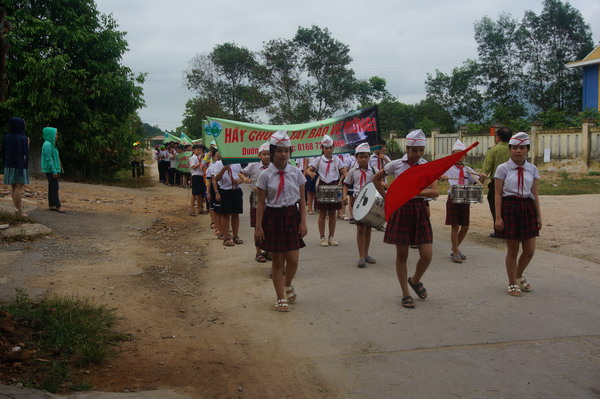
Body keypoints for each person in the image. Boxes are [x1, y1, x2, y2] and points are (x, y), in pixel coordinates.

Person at [372, 129, 439, 309]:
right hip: (401, 211)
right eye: (414, 150)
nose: (417, 154)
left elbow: (436, 191)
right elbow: (376, 179)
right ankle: (405, 292)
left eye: (421, 150)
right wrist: (388, 199)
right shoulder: (396, 165)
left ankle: (415, 280)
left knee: (427, 255)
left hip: (420, 210)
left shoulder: (426, 166)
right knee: (402, 255)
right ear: (407, 148)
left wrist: (417, 192)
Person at [254, 131, 307, 312]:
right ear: (272, 152)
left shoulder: (296, 173)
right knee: (277, 261)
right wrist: (258, 227)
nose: (283, 155)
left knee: (293, 260)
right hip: (273, 217)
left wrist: (303, 222)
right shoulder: (265, 176)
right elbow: (261, 203)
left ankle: (287, 283)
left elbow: (302, 200)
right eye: (279, 151)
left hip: (292, 216)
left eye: (286, 151)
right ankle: (280, 298)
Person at [494, 132, 541, 297]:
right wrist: (498, 217)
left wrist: (538, 216)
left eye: (522, 148)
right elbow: (498, 194)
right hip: (510, 208)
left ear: (527, 150)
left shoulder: (532, 169)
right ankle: (512, 282)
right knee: (512, 250)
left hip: (527, 208)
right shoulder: (503, 169)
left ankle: (518, 275)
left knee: (530, 250)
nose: (518, 151)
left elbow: (534, 193)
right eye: (514, 147)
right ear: (509, 149)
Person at [439, 139, 483, 263]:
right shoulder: (448, 168)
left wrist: (482, 177)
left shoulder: (468, 170)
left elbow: (478, 183)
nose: (458, 157)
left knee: (465, 226)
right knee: (455, 226)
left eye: (461, 154)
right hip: (453, 198)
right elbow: (439, 177)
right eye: (455, 154)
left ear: (465, 155)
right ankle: (456, 252)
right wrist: (442, 177)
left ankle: (455, 248)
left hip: (465, 199)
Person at [307, 135, 346, 247]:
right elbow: (308, 170)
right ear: (322, 148)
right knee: (323, 214)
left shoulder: (337, 160)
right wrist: (311, 173)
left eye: (330, 147)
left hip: (334, 186)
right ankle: (322, 237)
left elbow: (343, 171)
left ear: (333, 148)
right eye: (326, 147)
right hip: (323, 186)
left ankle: (331, 237)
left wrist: (346, 174)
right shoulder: (318, 160)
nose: (329, 150)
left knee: (333, 214)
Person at [343, 143, 377, 268]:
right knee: (360, 229)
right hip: (357, 201)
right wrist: (344, 196)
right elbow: (346, 184)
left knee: (368, 229)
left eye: (366, 156)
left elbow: (380, 182)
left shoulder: (374, 171)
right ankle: (361, 256)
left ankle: (366, 254)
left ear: (369, 157)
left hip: (370, 202)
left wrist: (383, 184)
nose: (363, 159)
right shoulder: (352, 172)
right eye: (361, 156)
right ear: (356, 157)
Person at [239, 141, 271, 263]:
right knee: (258, 225)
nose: (267, 156)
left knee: (270, 225)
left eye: (268, 154)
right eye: (264, 154)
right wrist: (245, 179)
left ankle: (269, 250)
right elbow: (241, 173)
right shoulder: (253, 166)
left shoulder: (274, 166)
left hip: (272, 199)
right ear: (259, 156)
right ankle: (258, 252)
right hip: (257, 197)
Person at [481, 127, 512, 237]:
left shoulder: (493, 150)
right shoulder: (513, 149)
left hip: (496, 183)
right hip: (512, 183)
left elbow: (486, 168)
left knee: (495, 206)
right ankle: (511, 230)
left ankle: (499, 230)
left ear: (498, 137)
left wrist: (481, 179)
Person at [2, 117, 29, 217]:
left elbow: (3, 151)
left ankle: (16, 209)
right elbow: (25, 153)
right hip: (19, 166)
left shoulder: (7, 137)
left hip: (9, 165)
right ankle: (19, 211)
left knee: (13, 187)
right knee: (19, 187)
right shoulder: (22, 138)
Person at [214, 157, 244, 247]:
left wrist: (239, 180)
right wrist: (224, 168)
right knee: (225, 215)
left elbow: (242, 175)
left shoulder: (236, 162)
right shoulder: (218, 163)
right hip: (225, 191)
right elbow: (216, 178)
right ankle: (226, 237)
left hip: (236, 190)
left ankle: (235, 236)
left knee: (235, 214)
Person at [41, 126, 65, 213]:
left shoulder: (51, 144)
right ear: (51, 134)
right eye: (56, 134)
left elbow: (56, 158)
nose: (57, 136)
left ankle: (51, 205)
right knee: (55, 187)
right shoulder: (47, 145)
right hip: (50, 170)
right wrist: (54, 171)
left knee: (51, 187)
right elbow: (49, 159)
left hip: (53, 169)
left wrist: (58, 170)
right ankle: (58, 206)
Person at [189, 145, 207, 216]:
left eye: (200, 150)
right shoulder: (193, 158)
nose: (199, 151)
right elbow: (193, 167)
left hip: (201, 176)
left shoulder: (200, 158)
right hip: (195, 176)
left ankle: (200, 209)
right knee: (194, 193)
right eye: (197, 150)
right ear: (193, 150)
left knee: (200, 194)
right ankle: (192, 209)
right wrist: (201, 163)